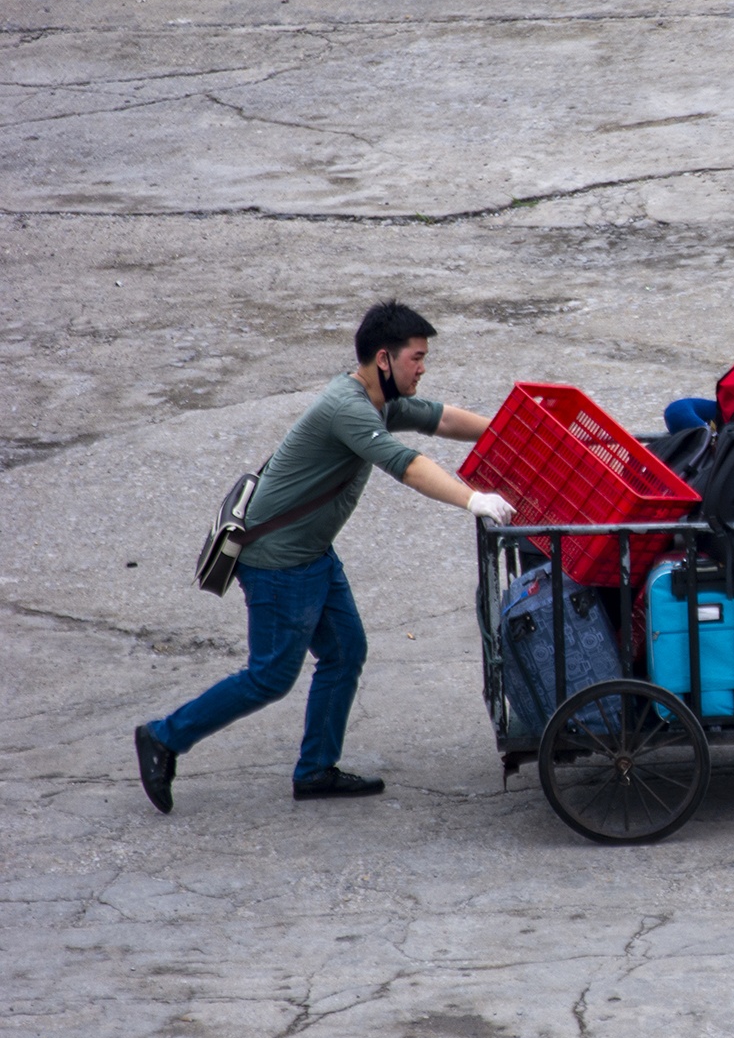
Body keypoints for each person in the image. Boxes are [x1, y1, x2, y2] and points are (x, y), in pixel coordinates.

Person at [135, 301, 516, 811]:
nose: (423, 367)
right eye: (417, 358)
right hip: (278, 562)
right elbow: (407, 464)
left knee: (344, 653)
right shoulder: (350, 410)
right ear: (385, 359)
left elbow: (442, 420)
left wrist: (511, 430)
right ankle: (163, 737)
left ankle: (316, 770)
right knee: (270, 676)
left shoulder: (378, 399)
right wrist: (473, 499)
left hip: (311, 554)